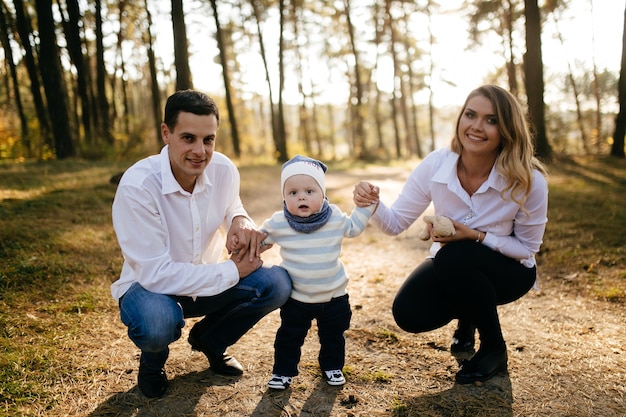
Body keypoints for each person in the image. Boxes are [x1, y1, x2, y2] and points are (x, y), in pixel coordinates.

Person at [353, 85, 548, 384]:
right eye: (471, 115)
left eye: (491, 120)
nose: (477, 126)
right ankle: (467, 318)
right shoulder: (436, 165)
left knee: (455, 255)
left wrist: (476, 235)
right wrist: (372, 203)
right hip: (454, 265)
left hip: (510, 271)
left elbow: (526, 249)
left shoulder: (529, 181)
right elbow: (395, 224)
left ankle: (495, 349)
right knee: (409, 313)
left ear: (507, 129)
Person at [111, 90, 292, 398]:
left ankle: (211, 340)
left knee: (277, 283)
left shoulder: (223, 169)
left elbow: (230, 203)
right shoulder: (138, 186)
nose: (200, 151)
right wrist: (233, 270)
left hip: (208, 281)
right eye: (188, 138)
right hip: (151, 288)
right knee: (157, 323)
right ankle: (153, 363)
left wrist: (240, 220)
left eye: (208, 140)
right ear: (166, 133)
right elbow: (156, 274)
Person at [260, 155, 376, 389]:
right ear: (284, 197)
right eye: (292, 193)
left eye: (310, 191)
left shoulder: (333, 216)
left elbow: (353, 228)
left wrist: (367, 206)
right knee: (289, 337)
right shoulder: (279, 221)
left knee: (333, 336)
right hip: (297, 298)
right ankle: (283, 372)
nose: (301, 196)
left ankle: (332, 367)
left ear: (322, 193)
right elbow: (261, 239)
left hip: (333, 296)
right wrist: (248, 242)